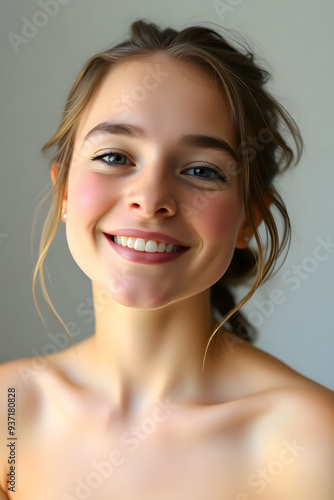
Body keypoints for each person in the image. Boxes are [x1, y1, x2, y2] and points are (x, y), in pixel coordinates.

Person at [0, 19, 333, 500]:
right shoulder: (9, 411)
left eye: (201, 170)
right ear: (64, 190)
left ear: (248, 219)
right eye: (116, 157)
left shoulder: (311, 443)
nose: (152, 198)